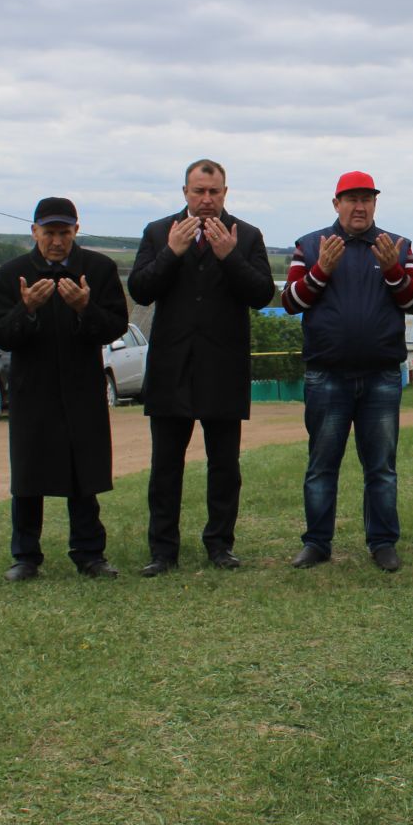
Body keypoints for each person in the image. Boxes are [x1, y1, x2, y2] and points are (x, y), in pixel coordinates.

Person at [128, 159, 275, 574]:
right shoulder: (159, 233)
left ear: (225, 193)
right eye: (199, 191)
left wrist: (230, 257)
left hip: (223, 368)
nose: (206, 199)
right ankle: (162, 551)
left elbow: (262, 294)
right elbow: (140, 289)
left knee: (224, 466)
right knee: (165, 468)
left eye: (214, 192)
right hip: (171, 367)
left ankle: (219, 545)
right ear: (185, 193)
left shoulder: (245, 235)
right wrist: (172, 253)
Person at [280, 171, 413, 571]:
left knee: (380, 467)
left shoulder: (396, 246)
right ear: (336, 204)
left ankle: (382, 543)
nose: (359, 207)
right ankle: (317, 543)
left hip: (381, 374)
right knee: (322, 465)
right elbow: (291, 301)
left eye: (366, 199)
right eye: (351, 199)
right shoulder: (310, 246)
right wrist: (320, 271)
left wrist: (395, 270)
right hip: (327, 375)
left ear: (375, 204)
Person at [0, 196, 131, 581]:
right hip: (33, 390)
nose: (56, 241)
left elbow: (116, 325)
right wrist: (26, 309)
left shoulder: (98, 269)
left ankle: (89, 554)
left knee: (83, 472)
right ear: (34, 232)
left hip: (82, 387)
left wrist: (86, 308)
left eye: (64, 232)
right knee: (29, 475)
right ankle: (25, 557)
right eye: (48, 232)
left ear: (76, 231)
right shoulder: (13, 274)